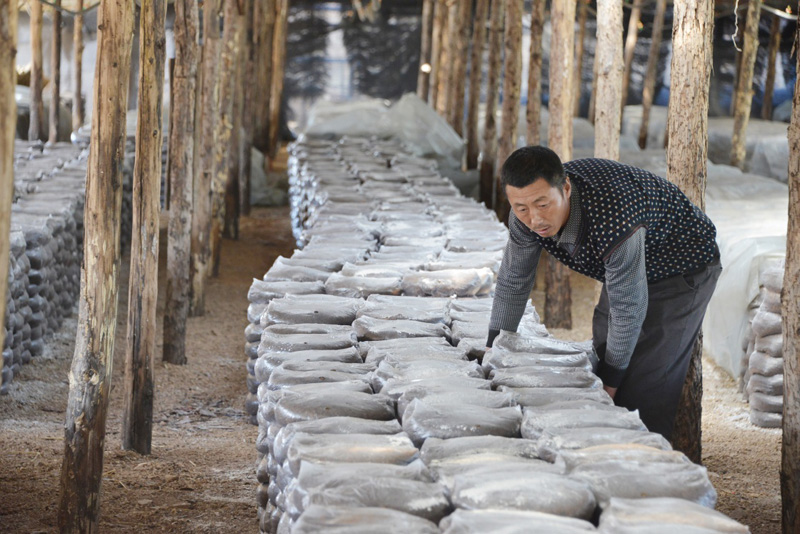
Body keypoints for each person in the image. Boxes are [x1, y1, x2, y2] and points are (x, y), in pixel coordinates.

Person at [486, 146, 722, 441]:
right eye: (521, 208)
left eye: (542, 205)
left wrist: (609, 387)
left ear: (566, 188)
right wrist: (493, 347)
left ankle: (646, 466)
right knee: (603, 354)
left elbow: (629, 308)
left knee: (645, 384)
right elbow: (514, 278)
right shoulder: (524, 216)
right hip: (628, 266)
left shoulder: (613, 217)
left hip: (680, 268)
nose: (534, 218)